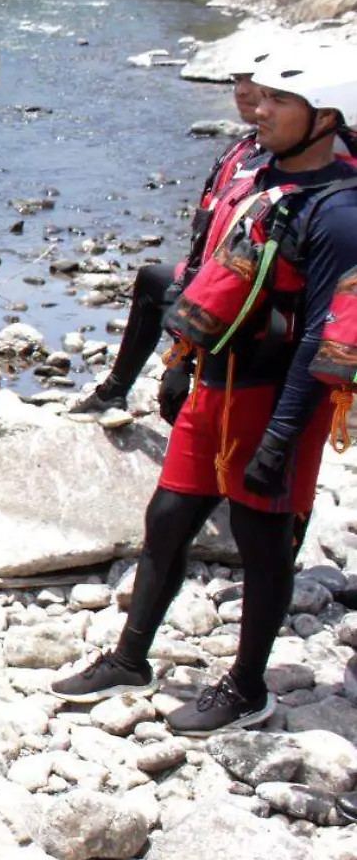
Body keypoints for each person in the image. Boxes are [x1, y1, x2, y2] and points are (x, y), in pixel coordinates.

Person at [51, 40, 357, 736]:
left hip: (274, 396)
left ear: (327, 115)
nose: (260, 107)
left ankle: (249, 687)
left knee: (261, 538)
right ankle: (131, 659)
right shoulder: (259, 178)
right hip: (215, 384)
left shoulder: (339, 213)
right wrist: (180, 362)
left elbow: (322, 335)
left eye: (280, 100)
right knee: (166, 521)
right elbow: (212, 276)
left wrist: (281, 438)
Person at [71, 43, 348, 416]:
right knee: (153, 280)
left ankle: (126, 388)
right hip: (222, 295)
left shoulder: (313, 174)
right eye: (239, 81)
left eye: (264, 89)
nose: (244, 91)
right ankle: (116, 390)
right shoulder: (256, 151)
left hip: (259, 339)